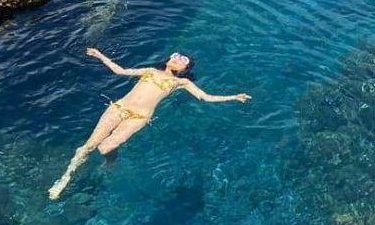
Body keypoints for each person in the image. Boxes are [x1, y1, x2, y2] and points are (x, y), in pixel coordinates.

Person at [49, 47, 251, 199]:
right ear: (169, 59)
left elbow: (205, 97)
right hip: (117, 108)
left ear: (184, 69)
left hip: (139, 118)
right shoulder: (150, 71)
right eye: (176, 56)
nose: (177, 59)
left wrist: (233, 97)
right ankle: (65, 178)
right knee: (88, 146)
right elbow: (121, 71)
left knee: (106, 147)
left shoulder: (182, 82)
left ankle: (110, 161)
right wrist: (100, 55)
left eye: (182, 60)